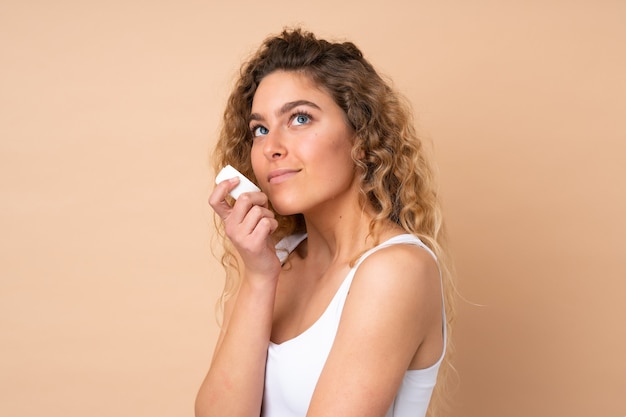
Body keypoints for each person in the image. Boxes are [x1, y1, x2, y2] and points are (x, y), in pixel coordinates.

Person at [196, 28, 455, 417]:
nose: (271, 147)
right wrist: (259, 277)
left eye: (300, 118)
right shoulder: (270, 261)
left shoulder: (396, 270)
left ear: (362, 138)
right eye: (260, 129)